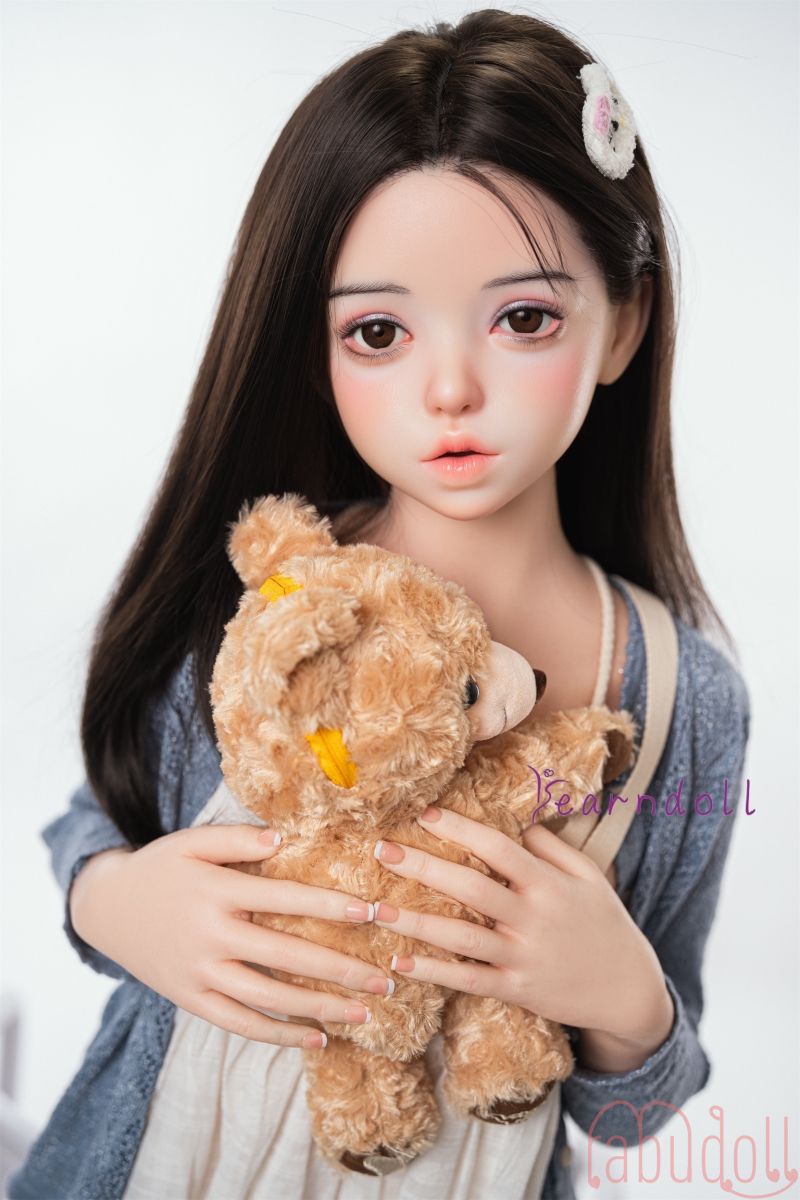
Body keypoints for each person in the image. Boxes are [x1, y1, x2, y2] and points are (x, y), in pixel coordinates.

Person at [8, 9, 751, 1199]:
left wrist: (626, 1002)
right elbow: (96, 815)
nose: (449, 387)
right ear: (312, 352)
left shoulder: (677, 698)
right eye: (377, 332)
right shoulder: (271, 597)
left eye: (522, 318)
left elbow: (632, 1117)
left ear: (622, 324)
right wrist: (114, 900)